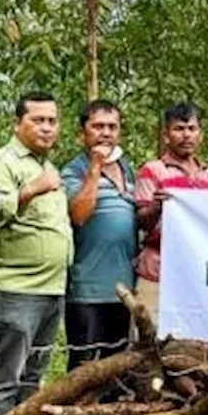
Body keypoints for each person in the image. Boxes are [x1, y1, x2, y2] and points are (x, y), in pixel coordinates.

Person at [0, 92, 72, 415]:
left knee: (34, 373)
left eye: (52, 121)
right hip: (14, 288)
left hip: (50, 288)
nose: (46, 128)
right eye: (37, 120)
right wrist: (29, 190)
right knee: (7, 376)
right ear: (17, 125)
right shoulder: (2, 163)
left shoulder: (49, 167)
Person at [61, 100, 137, 370]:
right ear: (83, 133)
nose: (105, 133)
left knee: (115, 369)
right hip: (87, 290)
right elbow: (79, 215)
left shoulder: (128, 169)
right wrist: (95, 167)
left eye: (112, 127)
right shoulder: (73, 171)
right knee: (84, 369)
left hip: (124, 291)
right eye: (98, 126)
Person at [135, 102, 208, 313]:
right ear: (166, 135)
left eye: (191, 129)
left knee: (190, 345)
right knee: (149, 339)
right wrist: (156, 206)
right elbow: (141, 221)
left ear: (200, 134)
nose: (186, 135)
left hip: (195, 274)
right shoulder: (153, 170)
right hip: (156, 272)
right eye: (179, 129)